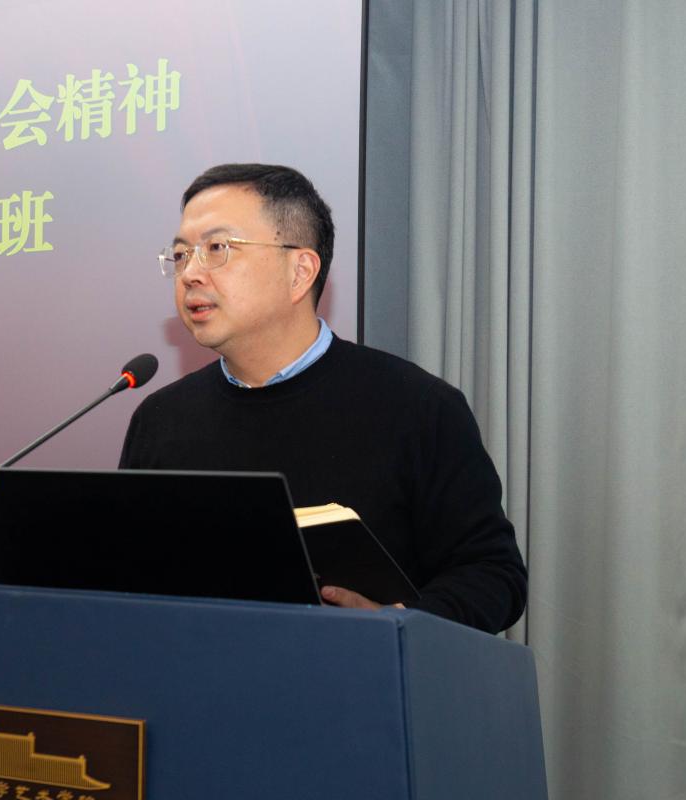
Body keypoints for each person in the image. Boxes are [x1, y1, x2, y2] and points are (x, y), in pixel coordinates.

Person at [119, 163, 527, 632]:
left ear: (300, 272)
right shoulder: (161, 419)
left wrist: (397, 624)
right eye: (181, 254)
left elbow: (493, 575)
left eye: (217, 249)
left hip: (362, 674)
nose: (190, 273)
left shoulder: (418, 407)